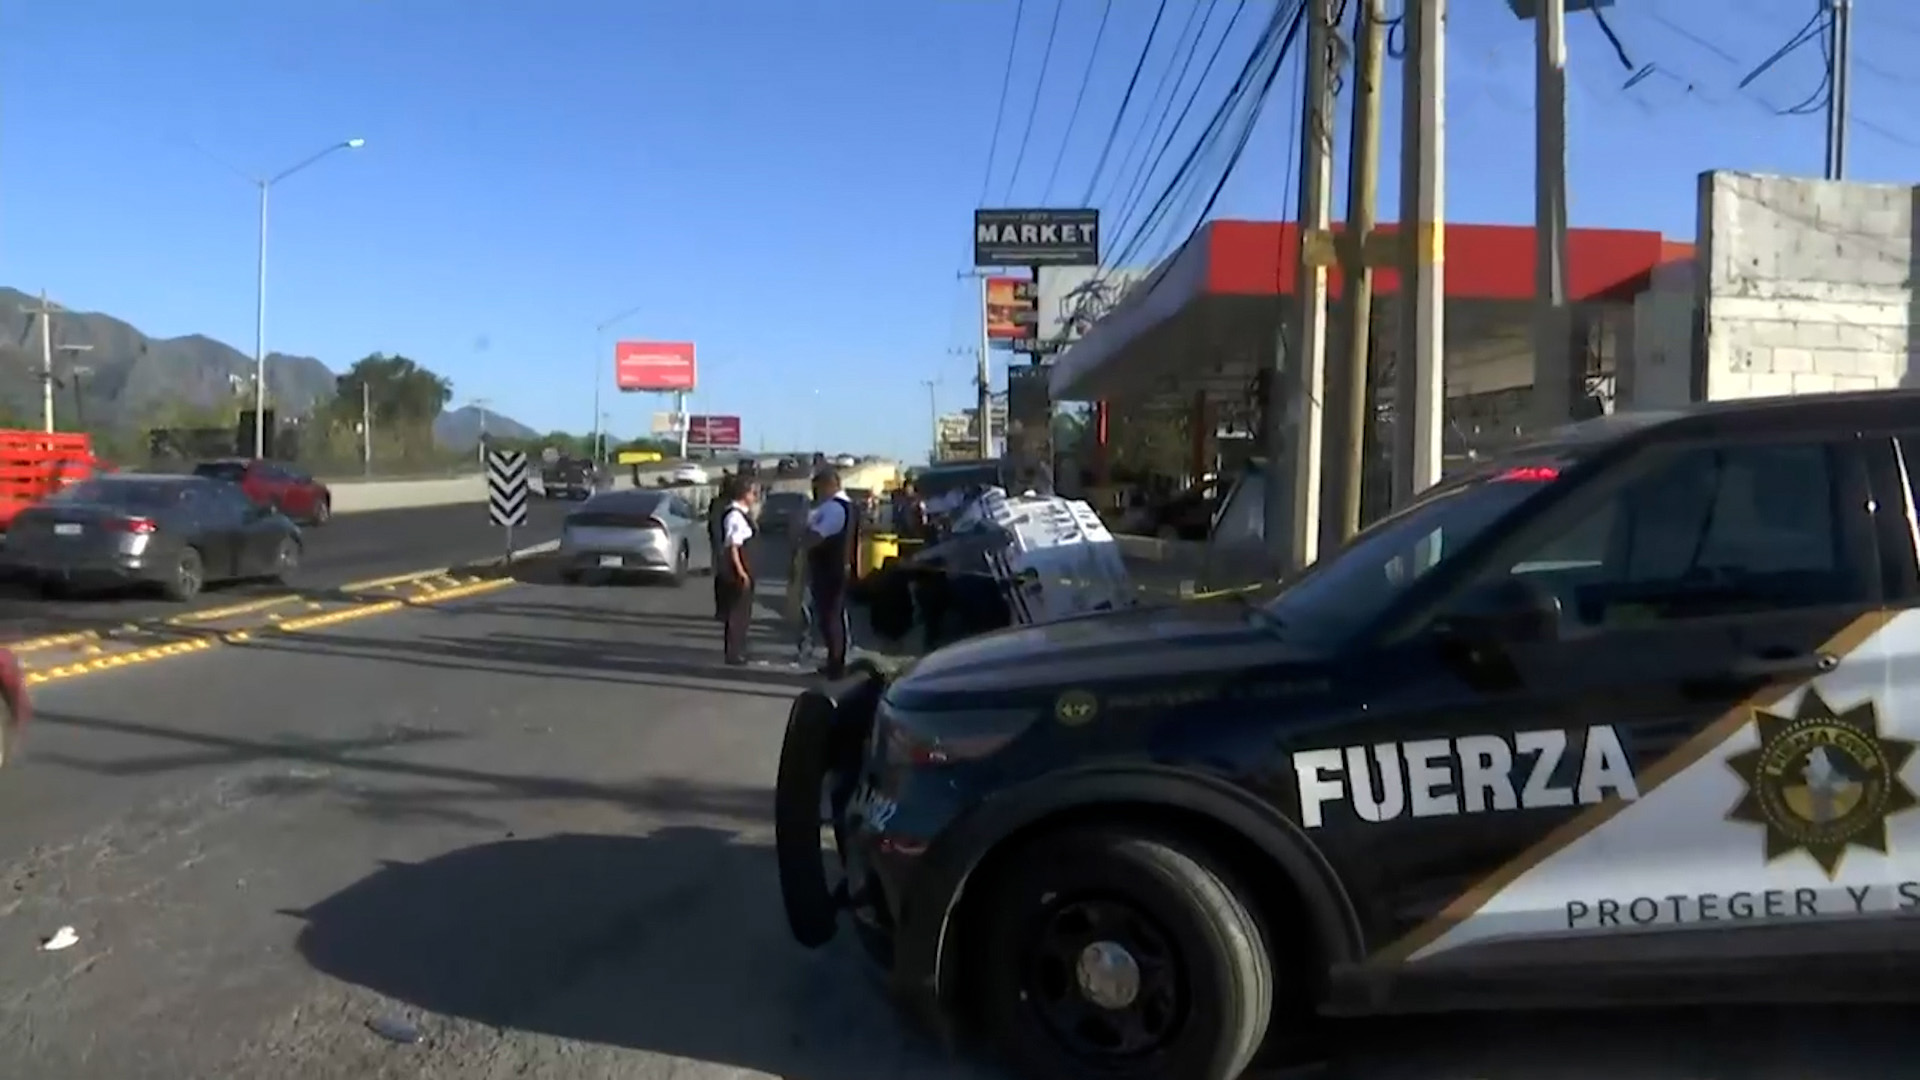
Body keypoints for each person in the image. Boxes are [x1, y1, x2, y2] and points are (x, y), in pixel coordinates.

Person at [801, 466, 859, 677]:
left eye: (817, 488)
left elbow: (818, 535)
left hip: (830, 569)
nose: (816, 493)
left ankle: (836, 664)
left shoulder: (834, 508)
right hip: (836, 567)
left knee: (830, 618)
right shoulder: (844, 506)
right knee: (832, 616)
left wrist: (804, 541)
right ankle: (834, 661)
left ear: (828, 486)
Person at [713, 474, 758, 666]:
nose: (755, 496)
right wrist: (741, 572)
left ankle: (739, 649)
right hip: (737, 572)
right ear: (744, 494)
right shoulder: (734, 516)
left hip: (744, 569)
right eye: (753, 493)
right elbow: (733, 546)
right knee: (736, 614)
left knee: (743, 613)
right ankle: (734, 653)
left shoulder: (743, 514)